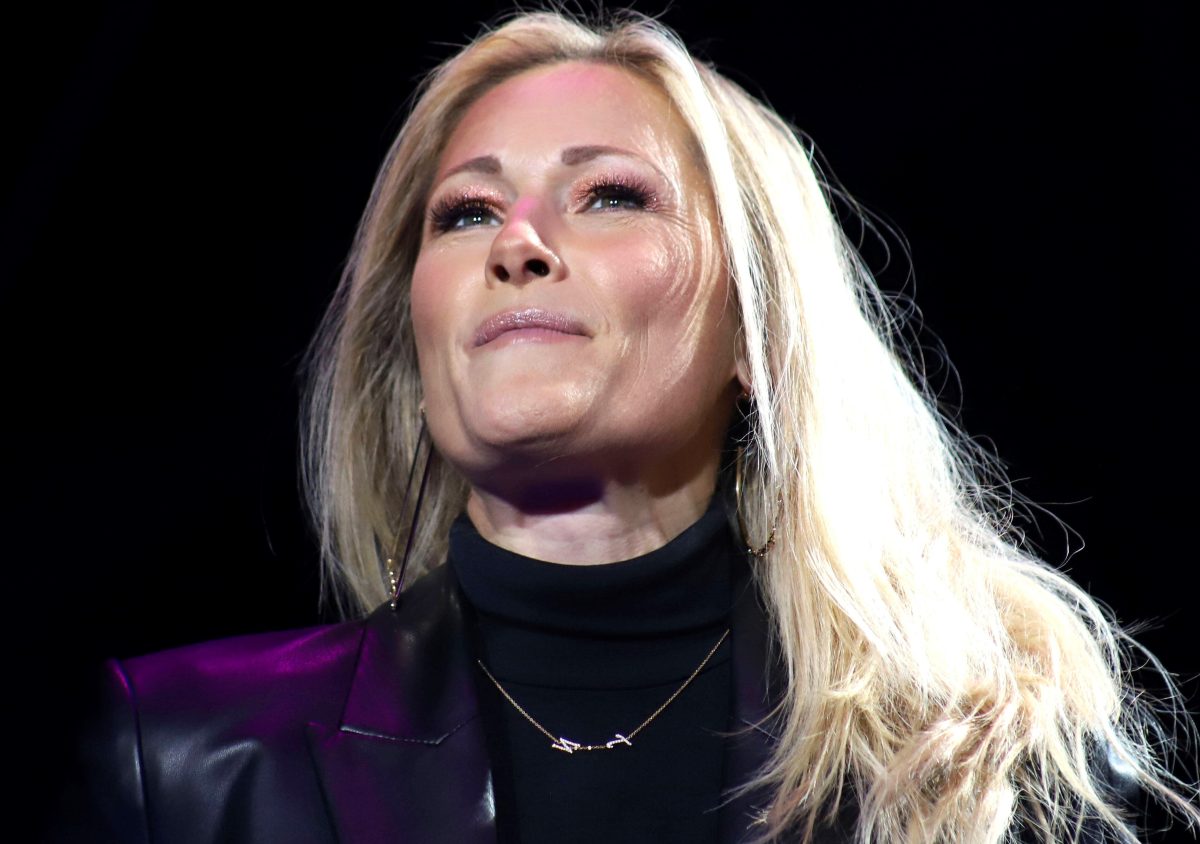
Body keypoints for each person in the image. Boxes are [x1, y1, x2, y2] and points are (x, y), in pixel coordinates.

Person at [60, 8, 1199, 844]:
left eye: (609, 195)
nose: (518, 242)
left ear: (758, 331)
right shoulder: (187, 756)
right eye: (465, 212)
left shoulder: (992, 761)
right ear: (417, 338)